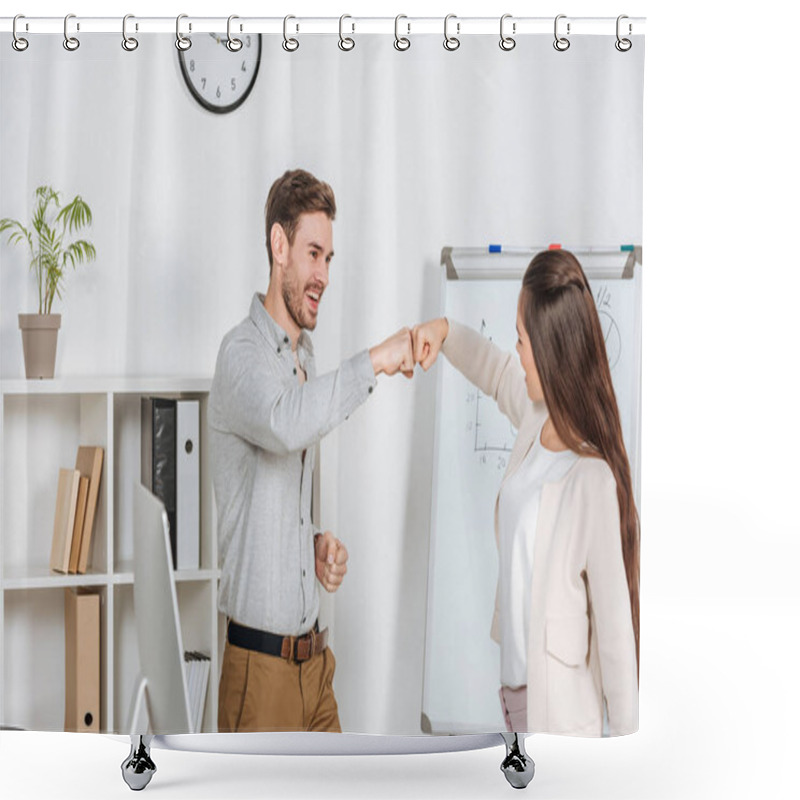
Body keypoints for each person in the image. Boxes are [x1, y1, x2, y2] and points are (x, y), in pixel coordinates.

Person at [209, 168, 414, 733]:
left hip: (314, 667)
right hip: (260, 674)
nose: (323, 274)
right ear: (279, 246)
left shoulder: (308, 361)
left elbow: (273, 485)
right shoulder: (241, 355)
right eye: (312, 253)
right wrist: (375, 359)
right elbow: (284, 423)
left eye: (329, 259)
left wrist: (311, 544)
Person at [412, 248, 639, 737]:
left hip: (561, 719)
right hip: (514, 703)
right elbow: (493, 371)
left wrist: (627, 764)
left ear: (551, 347)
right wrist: (445, 331)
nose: (516, 350)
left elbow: (616, 639)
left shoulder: (592, 479)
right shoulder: (536, 420)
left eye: (522, 339)